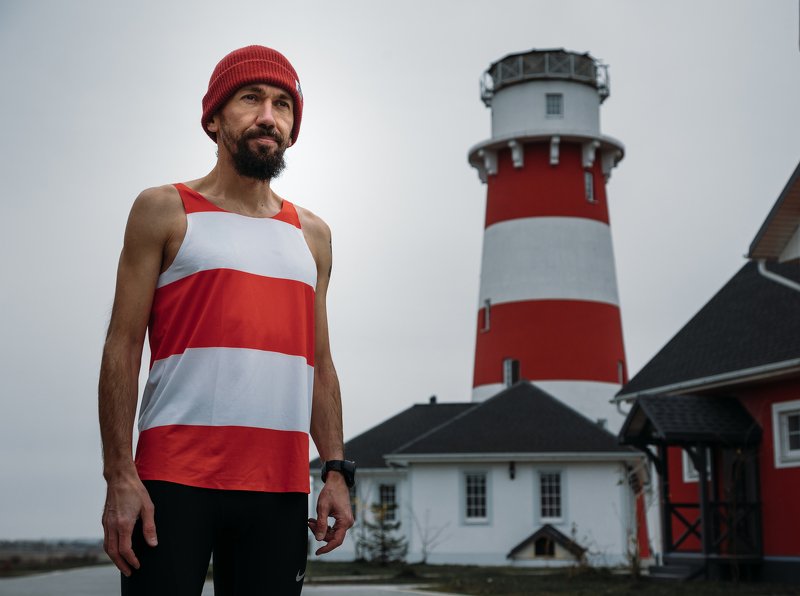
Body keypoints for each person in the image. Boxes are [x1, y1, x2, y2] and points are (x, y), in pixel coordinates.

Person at [98, 45, 354, 595]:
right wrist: (120, 473)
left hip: (279, 487)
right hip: (170, 482)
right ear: (214, 117)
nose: (269, 115)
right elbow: (121, 348)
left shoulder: (313, 235)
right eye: (251, 98)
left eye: (283, 104)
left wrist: (335, 469)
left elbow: (320, 365)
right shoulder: (164, 209)